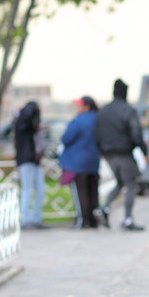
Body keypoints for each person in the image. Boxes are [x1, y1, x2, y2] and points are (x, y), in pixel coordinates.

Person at [94, 78, 149, 231]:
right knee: (131, 184)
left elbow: (97, 133)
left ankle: (103, 208)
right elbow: (136, 133)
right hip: (124, 153)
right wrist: (144, 151)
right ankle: (128, 219)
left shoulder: (103, 111)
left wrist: (102, 151)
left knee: (120, 182)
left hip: (109, 154)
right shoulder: (128, 110)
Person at [60, 96, 101, 229]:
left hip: (77, 163)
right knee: (93, 191)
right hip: (94, 161)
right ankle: (94, 219)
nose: (78, 108)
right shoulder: (98, 119)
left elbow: (66, 138)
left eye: (80, 105)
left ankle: (83, 220)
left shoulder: (78, 121)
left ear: (86, 106)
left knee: (80, 192)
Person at [13, 101, 47, 230]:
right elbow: (24, 126)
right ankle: (25, 219)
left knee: (40, 190)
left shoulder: (32, 127)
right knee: (27, 190)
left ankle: (36, 219)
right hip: (26, 160)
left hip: (35, 161)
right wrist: (25, 113)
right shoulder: (22, 123)